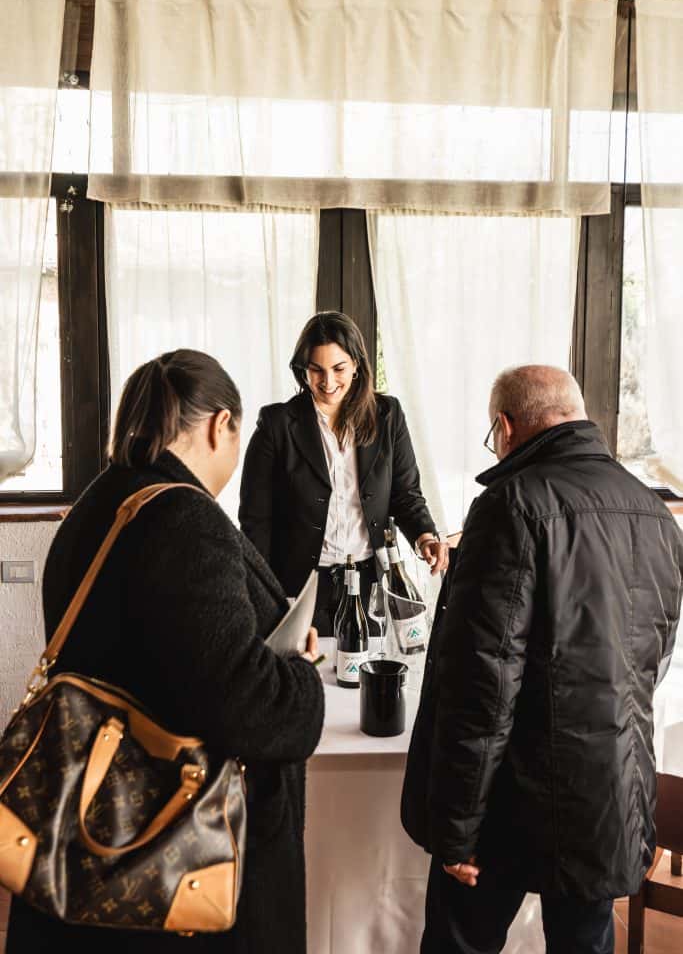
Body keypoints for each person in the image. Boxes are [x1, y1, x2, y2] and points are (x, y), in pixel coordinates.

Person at [7, 349, 324, 954]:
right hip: (166, 852)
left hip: (91, 824)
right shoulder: (183, 517)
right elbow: (242, 704)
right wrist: (299, 675)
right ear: (219, 424)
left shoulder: (102, 505)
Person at [402, 364, 683, 954]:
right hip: (608, 792)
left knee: (459, 943)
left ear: (505, 427)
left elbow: (480, 686)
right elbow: (649, 660)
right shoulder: (655, 514)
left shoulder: (510, 505)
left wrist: (455, 828)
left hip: (511, 801)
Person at [238, 311, 447, 635]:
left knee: (362, 678)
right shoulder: (277, 425)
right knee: (307, 677)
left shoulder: (388, 415)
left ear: (356, 365)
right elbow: (256, 520)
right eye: (316, 370)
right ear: (302, 369)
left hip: (368, 585)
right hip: (299, 586)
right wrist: (265, 596)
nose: (328, 382)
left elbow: (405, 493)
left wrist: (425, 536)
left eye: (338, 369)